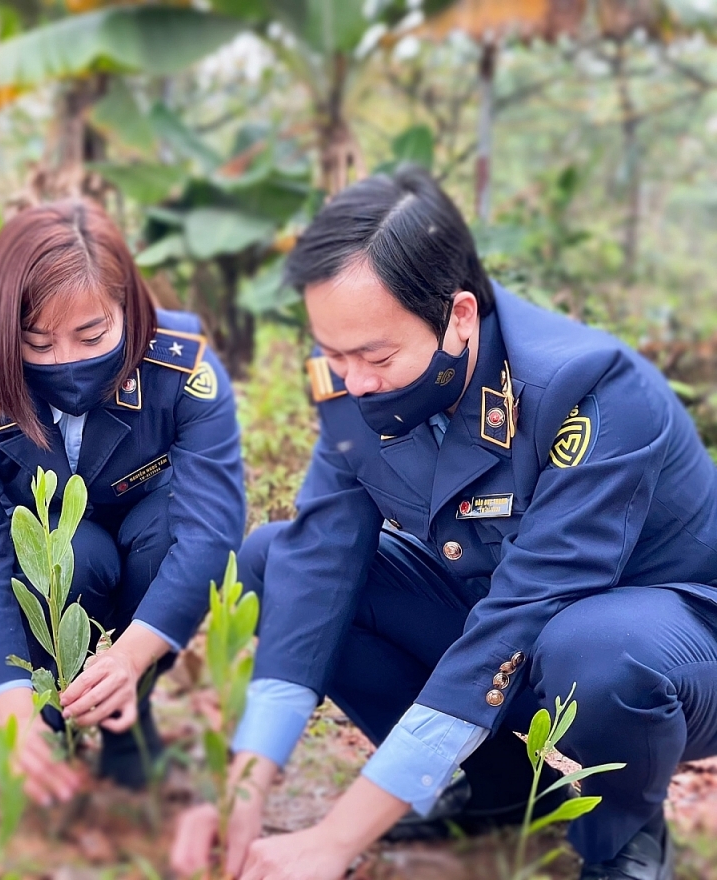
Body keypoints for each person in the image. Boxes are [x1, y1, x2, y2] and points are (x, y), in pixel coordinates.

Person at [171, 166, 717, 880]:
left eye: (375, 356)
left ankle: (617, 835)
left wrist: (336, 838)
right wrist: (246, 791)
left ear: (461, 317)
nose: (353, 381)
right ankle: (486, 788)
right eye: (334, 354)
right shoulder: (350, 364)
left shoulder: (590, 391)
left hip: (666, 641)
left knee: (595, 648)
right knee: (279, 560)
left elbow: (523, 614)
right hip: (504, 618)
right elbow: (318, 565)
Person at [0, 200, 245, 806]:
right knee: (70, 553)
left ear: (128, 308)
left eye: (92, 334)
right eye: (37, 342)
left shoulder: (182, 369)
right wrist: (10, 697)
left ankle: (130, 717)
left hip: (149, 531)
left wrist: (129, 660)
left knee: (167, 533)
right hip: (56, 548)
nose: (66, 360)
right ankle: (53, 714)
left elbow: (211, 529)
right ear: (4, 328)